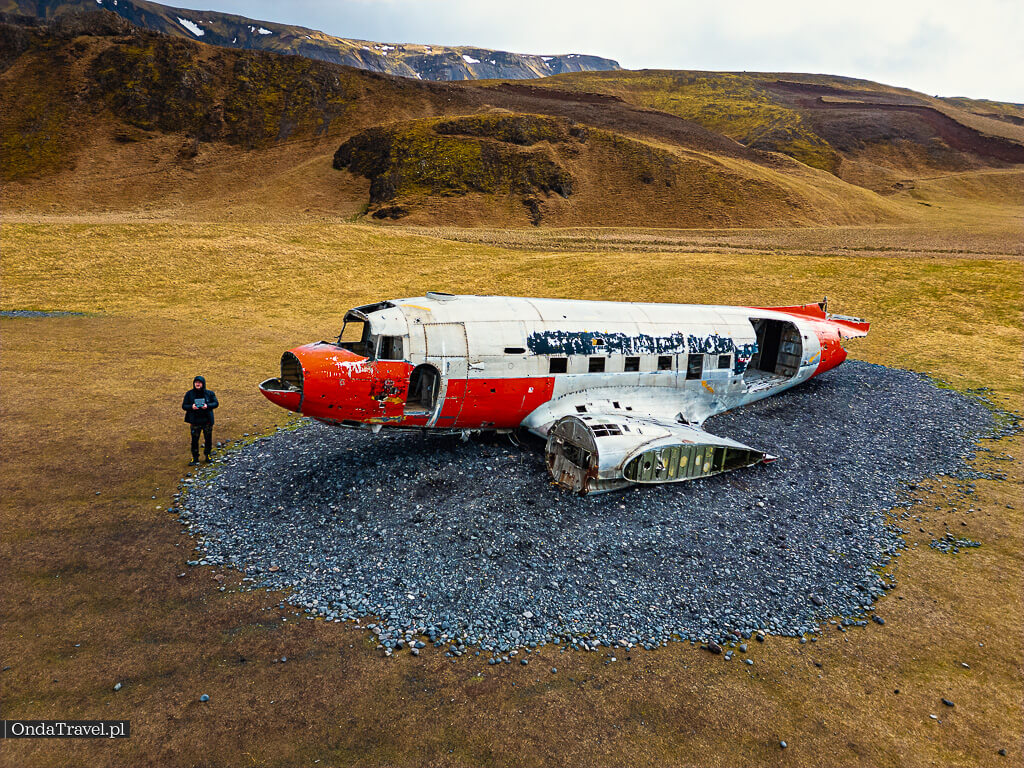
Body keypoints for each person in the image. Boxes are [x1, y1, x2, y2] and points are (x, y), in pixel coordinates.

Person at [182, 375, 219, 465]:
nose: (197, 384)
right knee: (194, 440)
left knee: (208, 439)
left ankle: (208, 455)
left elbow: (216, 403)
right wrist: (191, 407)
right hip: (195, 422)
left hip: (207, 421)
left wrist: (207, 406)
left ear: (203, 383)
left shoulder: (209, 393)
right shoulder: (189, 394)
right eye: (196, 382)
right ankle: (195, 458)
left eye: (199, 382)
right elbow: (184, 406)